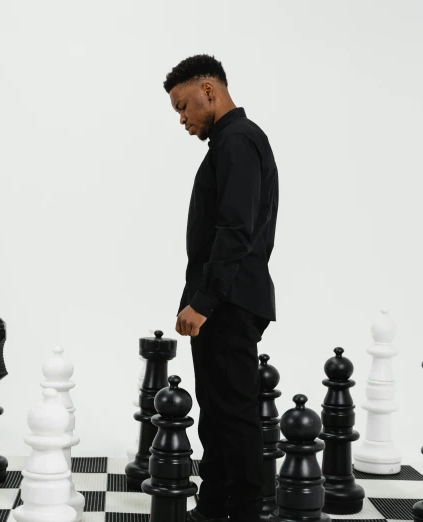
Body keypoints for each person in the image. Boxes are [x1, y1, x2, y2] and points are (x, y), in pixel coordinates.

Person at [164, 54, 279, 522]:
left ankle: (245, 511)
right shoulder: (229, 145)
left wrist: (202, 302)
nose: (183, 119)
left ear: (209, 90)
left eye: (183, 105)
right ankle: (213, 506)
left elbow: (236, 231)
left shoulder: (237, 142)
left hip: (227, 301)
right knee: (217, 413)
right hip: (222, 299)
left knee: (234, 416)